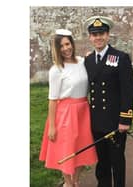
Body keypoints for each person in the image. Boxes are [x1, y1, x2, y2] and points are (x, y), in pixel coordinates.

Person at [39, 29, 98, 187]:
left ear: (72, 43)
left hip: (84, 111)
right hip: (65, 113)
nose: (65, 48)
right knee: (66, 150)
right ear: (56, 49)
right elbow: (52, 99)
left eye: (67, 43)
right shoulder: (56, 70)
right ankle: (67, 183)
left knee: (81, 149)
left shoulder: (82, 62)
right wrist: (52, 126)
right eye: (61, 46)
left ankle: (76, 181)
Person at [83, 16, 133, 187]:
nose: (98, 37)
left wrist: (125, 119)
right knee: (102, 162)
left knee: (117, 162)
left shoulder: (120, 57)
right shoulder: (89, 60)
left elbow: (128, 90)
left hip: (115, 122)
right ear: (89, 37)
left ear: (108, 35)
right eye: (94, 34)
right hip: (97, 122)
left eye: (101, 33)